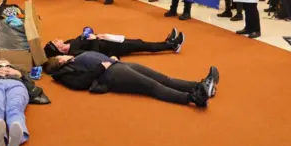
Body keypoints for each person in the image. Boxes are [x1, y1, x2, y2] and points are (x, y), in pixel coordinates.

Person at [44, 53, 219, 108]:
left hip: (118, 65)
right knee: (153, 86)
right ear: (59, 61)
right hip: (112, 75)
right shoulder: (65, 73)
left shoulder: (74, 57)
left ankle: (199, 86)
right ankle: (193, 98)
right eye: (60, 55)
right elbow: (80, 83)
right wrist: (101, 67)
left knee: (163, 78)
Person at [44, 27, 184, 58]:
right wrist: (93, 39)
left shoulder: (69, 42)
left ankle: (167, 42)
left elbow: (84, 35)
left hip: (109, 39)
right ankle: (172, 45)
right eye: (55, 42)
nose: (57, 39)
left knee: (140, 42)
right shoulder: (74, 53)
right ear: (59, 50)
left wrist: (87, 31)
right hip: (112, 48)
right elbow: (95, 54)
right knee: (142, 45)